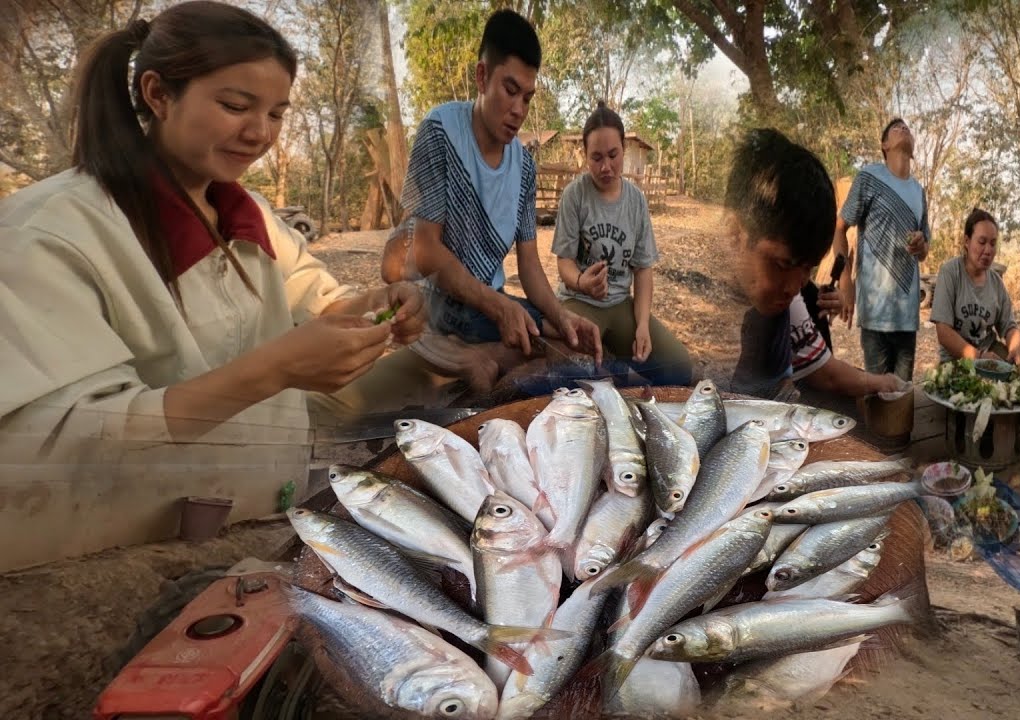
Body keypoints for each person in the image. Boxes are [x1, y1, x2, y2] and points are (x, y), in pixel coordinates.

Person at [0, 1, 430, 559]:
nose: (259, 133)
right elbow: (57, 442)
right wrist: (272, 371)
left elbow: (318, 297)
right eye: (235, 106)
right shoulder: (52, 234)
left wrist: (374, 306)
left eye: (277, 114)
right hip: (121, 550)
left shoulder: (247, 215)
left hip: (250, 519)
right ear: (158, 94)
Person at [383, 9, 601, 387]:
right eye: (510, 90)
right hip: (438, 301)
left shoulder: (524, 168)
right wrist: (500, 307)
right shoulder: (440, 133)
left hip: (484, 304)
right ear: (482, 77)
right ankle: (460, 357)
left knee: (569, 341)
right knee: (540, 348)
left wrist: (561, 317)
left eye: (528, 98)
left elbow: (529, 265)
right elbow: (427, 250)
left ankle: (484, 357)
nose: (519, 110)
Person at [726, 129, 902, 403]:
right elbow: (827, 375)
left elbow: (819, 368)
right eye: (784, 264)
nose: (793, 288)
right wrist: (883, 382)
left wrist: (813, 302)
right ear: (735, 233)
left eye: (807, 270)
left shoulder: (787, 293)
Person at [551, 102, 693, 386]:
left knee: (680, 368)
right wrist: (582, 282)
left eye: (613, 155)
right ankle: (610, 368)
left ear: (624, 150)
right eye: (596, 158)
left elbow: (642, 270)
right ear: (585, 156)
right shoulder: (574, 195)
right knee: (566, 370)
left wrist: (642, 325)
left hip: (619, 305)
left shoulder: (636, 200)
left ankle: (615, 360)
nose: (606, 167)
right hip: (578, 300)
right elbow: (564, 262)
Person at [831, 118, 931, 381]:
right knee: (876, 394)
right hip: (875, 311)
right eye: (896, 128)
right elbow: (840, 227)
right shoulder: (869, 178)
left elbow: (924, 252)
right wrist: (845, 280)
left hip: (907, 316)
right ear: (885, 145)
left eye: (908, 127)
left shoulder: (919, 192)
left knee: (901, 394)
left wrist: (921, 246)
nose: (905, 128)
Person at [930, 208, 1020, 365]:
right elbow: (943, 333)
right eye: (982, 242)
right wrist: (978, 357)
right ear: (967, 241)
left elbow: (1009, 327)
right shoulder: (950, 273)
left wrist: (1014, 349)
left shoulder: (996, 282)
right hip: (956, 361)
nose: (988, 250)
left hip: (990, 352)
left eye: (993, 244)